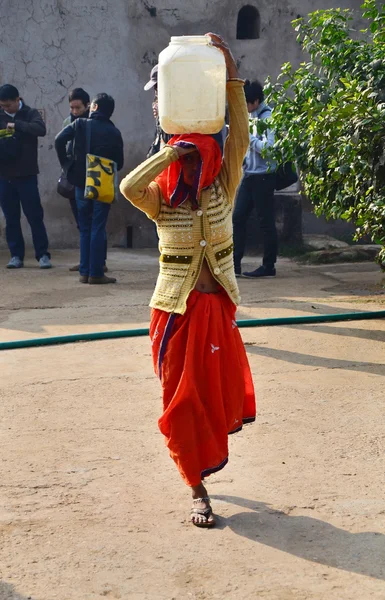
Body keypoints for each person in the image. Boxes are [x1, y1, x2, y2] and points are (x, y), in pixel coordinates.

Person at [120, 33, 256, 528]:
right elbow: (128, 186)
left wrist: (232, 71)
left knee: (213, 401)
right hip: (174, 313)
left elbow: (237, 135)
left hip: (216, 307)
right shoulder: (158, 192)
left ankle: (202, 468)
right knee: (179, 405)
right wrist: (172, 153)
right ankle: (196, 488)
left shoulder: (225, 182)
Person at [55, 93, 124, 284]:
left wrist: (68, 166)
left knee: (85, 228)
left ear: (93, 107)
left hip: (80, 182)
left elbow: (58, 141)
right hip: (102, 184)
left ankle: (84, 272)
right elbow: (120, 162)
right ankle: (96, 273)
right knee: (98, 227)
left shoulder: (80, 125)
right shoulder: (114, 132)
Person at [0, 84, 51, 269]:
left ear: (17, 100)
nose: (5, 109)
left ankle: (43, 255)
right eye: (2, 106)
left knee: (34, 216)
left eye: (8, 105)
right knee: (11, 217)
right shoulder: (0, 115)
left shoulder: (30, 113)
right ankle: (16, 256)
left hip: (27, 175)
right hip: (5, 177)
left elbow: (41, 129)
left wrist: (17, 125)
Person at [60, 88, 109, 274]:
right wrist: (66, 166)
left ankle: (98, 262)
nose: (74, 111)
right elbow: (62, 144)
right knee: (83, 223)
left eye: (78, 107)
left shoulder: (94, 122)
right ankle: (86, 262)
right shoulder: (68, 122)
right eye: (72, 108)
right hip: (76, 178)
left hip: (94, 177)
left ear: (88, 106)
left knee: (96, 223)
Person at [233, 79, 277, 278]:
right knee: (238, 217)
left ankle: (269, 266)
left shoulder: (268, 118)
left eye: (247, 103)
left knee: (265, 222)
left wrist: (248, 139)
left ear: (256, 101)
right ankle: (234, 265)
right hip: (250, 175)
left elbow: (269, 149)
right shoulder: (251, 118)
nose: (245, 107)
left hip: (264, 177)